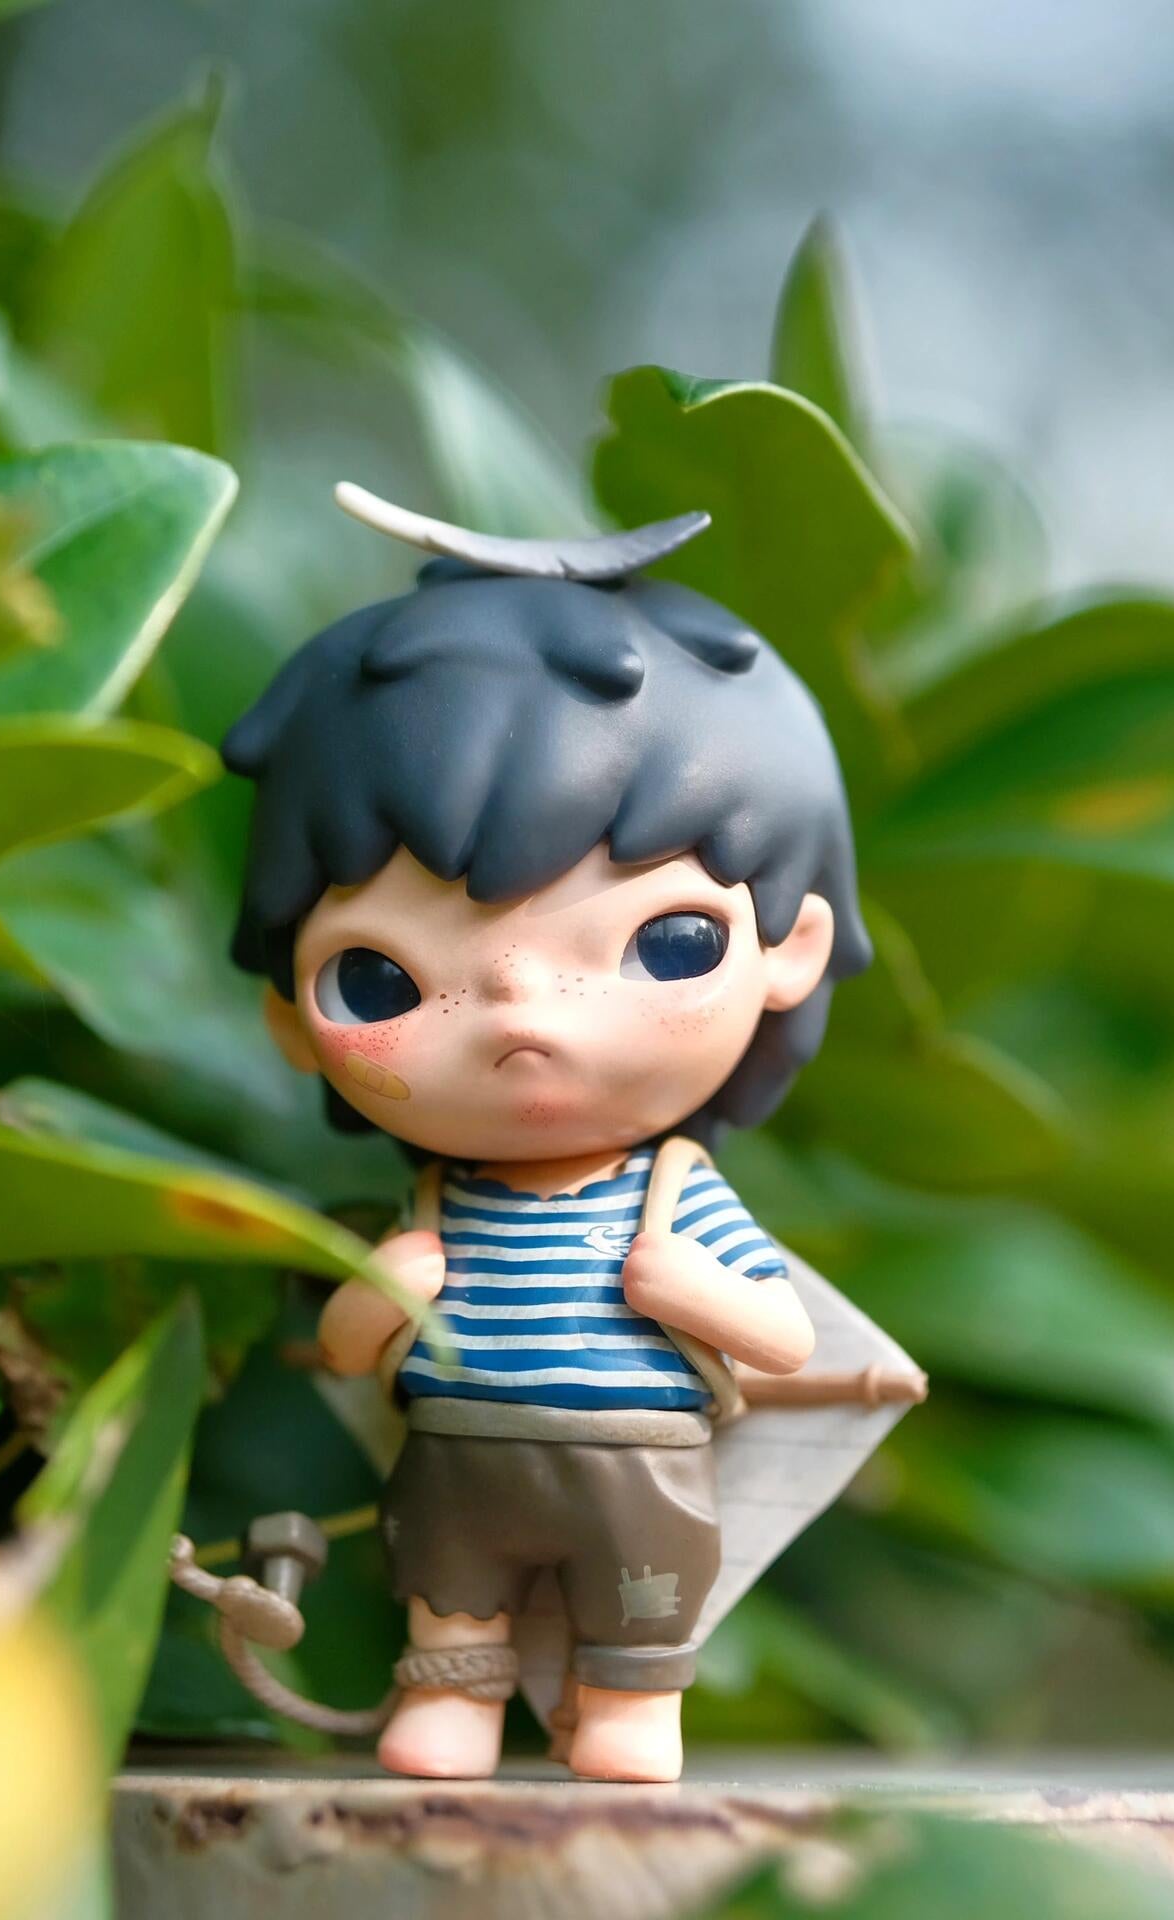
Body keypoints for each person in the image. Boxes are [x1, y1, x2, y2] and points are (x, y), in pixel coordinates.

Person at [222, 489, 871, 1782]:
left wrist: (695, 1294)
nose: (521, 1017)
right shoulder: (436, 1205)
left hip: (638, 1467)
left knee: (638, 1606)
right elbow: (349, 1352)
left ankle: (631, 1709)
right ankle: (453, 1698)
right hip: (460, 1461)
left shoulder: (669, 1195)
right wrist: (377, 1303)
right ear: (293, 1018)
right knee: (449, 1599)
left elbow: (786, 1338)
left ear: (788, 949)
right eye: (384, 981)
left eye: (666, 944)